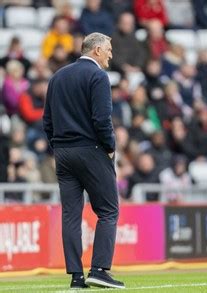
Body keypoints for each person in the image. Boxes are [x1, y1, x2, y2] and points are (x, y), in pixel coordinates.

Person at [43, 32, 125, 289]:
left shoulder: (57, 76)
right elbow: (102, 119)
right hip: (91, 149)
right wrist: (110, 147)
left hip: (63, 153)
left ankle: (76, 277)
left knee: (70, 215)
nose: (111, 54)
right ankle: (99, 269)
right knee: (108, 210)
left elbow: (47, 121)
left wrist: (58, 147)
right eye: (109, 49)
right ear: (97, 50)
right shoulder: (98, 76)